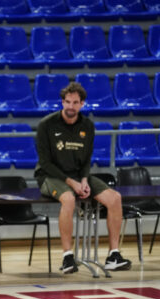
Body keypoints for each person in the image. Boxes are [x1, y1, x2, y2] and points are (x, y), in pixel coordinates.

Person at [35, 82, 131, 274]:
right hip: (50, 176)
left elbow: (87, 159)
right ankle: (67, 257)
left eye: (75, 102)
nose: (71, 106)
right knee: (69, 199)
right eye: (67, 102)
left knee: (115, 198)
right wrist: (71, 183)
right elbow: (45, 163)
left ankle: (113, 254)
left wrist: (85, 180)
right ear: (62, 102)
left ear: (82, 104)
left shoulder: (88, 126)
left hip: (79, 175)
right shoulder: (46, 125)